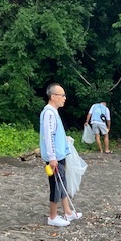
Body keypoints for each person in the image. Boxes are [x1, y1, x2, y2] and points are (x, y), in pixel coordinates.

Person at [40, 83, 82, 227]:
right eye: (62, 95)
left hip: (60, 154)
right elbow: (48, 136)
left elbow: (56, 134)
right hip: (54, 157)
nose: (64, 98)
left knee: (62, 182)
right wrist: (52, 158)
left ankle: (67, 211)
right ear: (53, 96)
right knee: (56, 185)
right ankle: (52, 216)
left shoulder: (54, 112)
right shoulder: (49, 113)